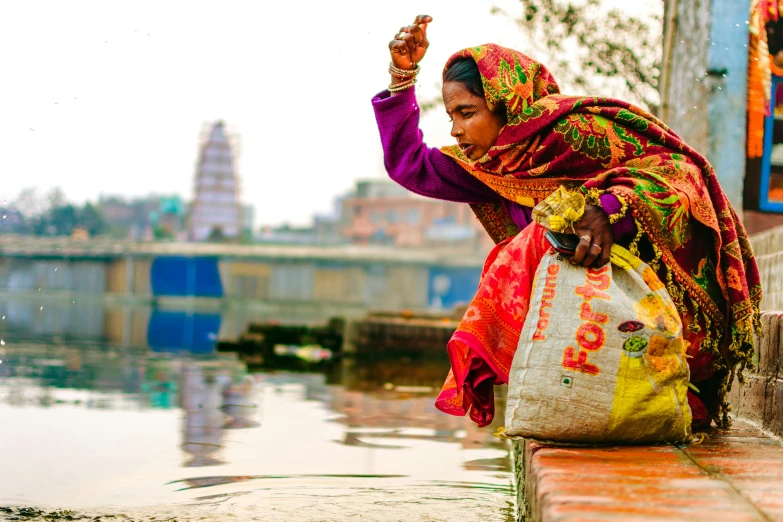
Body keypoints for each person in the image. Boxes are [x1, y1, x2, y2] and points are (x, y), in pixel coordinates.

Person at [372, 15, 762, 429]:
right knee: (535, 241)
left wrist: (609, 211)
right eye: (451, 116)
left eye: (467, 113)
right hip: (589, 308)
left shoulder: (573, 130)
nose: (455, 130)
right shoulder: (491, 164)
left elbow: (680, 172)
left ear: (506, 102)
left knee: (534, 240)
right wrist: (401, 77)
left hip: (661, 294)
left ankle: (684, 390)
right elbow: (410, 165)